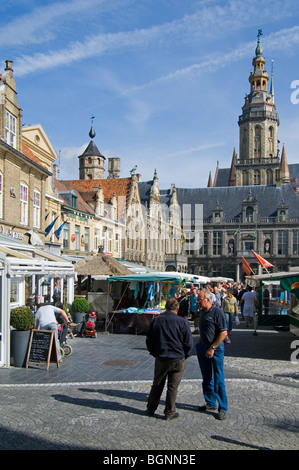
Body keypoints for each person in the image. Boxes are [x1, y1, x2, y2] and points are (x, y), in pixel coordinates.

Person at [146, 298, 193, 421]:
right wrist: (185, 355)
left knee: (157, 384)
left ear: (166, 307)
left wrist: (154, 353)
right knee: (172, 387)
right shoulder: (182, 322)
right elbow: (188, 343)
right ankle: (169, 412)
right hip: (178, 358)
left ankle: (151, 408)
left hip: (162, 357)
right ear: (177, 308)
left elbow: (149, 340)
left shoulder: (156, 320)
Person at [196, 290, 228, 420]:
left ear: (208, 300)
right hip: (202, 346)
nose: (198, 302)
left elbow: (223, 332)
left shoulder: (217, 312)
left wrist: (213, 347)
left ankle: (223, 408)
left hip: (215, 348)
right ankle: (210, 402)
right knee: (206, 376)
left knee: (218, 376)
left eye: (200, 300)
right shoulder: (201, 312)